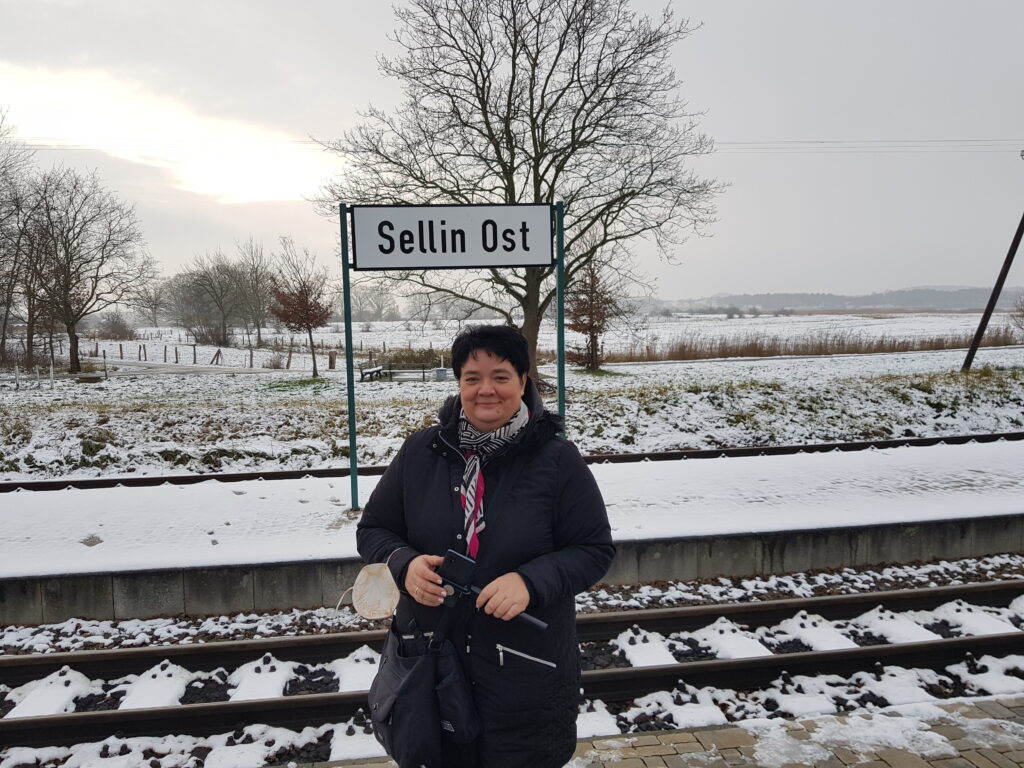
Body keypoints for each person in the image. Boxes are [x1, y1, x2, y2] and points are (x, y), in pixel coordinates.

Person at [357, 324, 614, 768]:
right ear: (458, 383)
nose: (485, 390)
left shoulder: (556, 460)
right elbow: (373, 530)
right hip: (430, 666)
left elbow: (593, 549)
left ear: (523, 381)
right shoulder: (421, 452)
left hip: (525, 675)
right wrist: (404, 565)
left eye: (501, 376)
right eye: (472, 378)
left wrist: (530, 582)